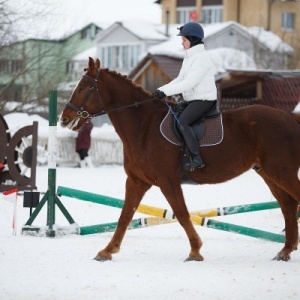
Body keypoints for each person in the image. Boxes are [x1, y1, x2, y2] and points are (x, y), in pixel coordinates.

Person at [153, 22, 217, 170]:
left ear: (193, 40)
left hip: (204, 99)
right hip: (193, 99)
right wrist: (160, 90)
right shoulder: (189, 57)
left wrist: (166, 92)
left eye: (184, 40)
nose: (182, 43)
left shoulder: (201, 58)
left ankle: (196, 158)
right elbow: (179, 79)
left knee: (183, 122)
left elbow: (189, 83)